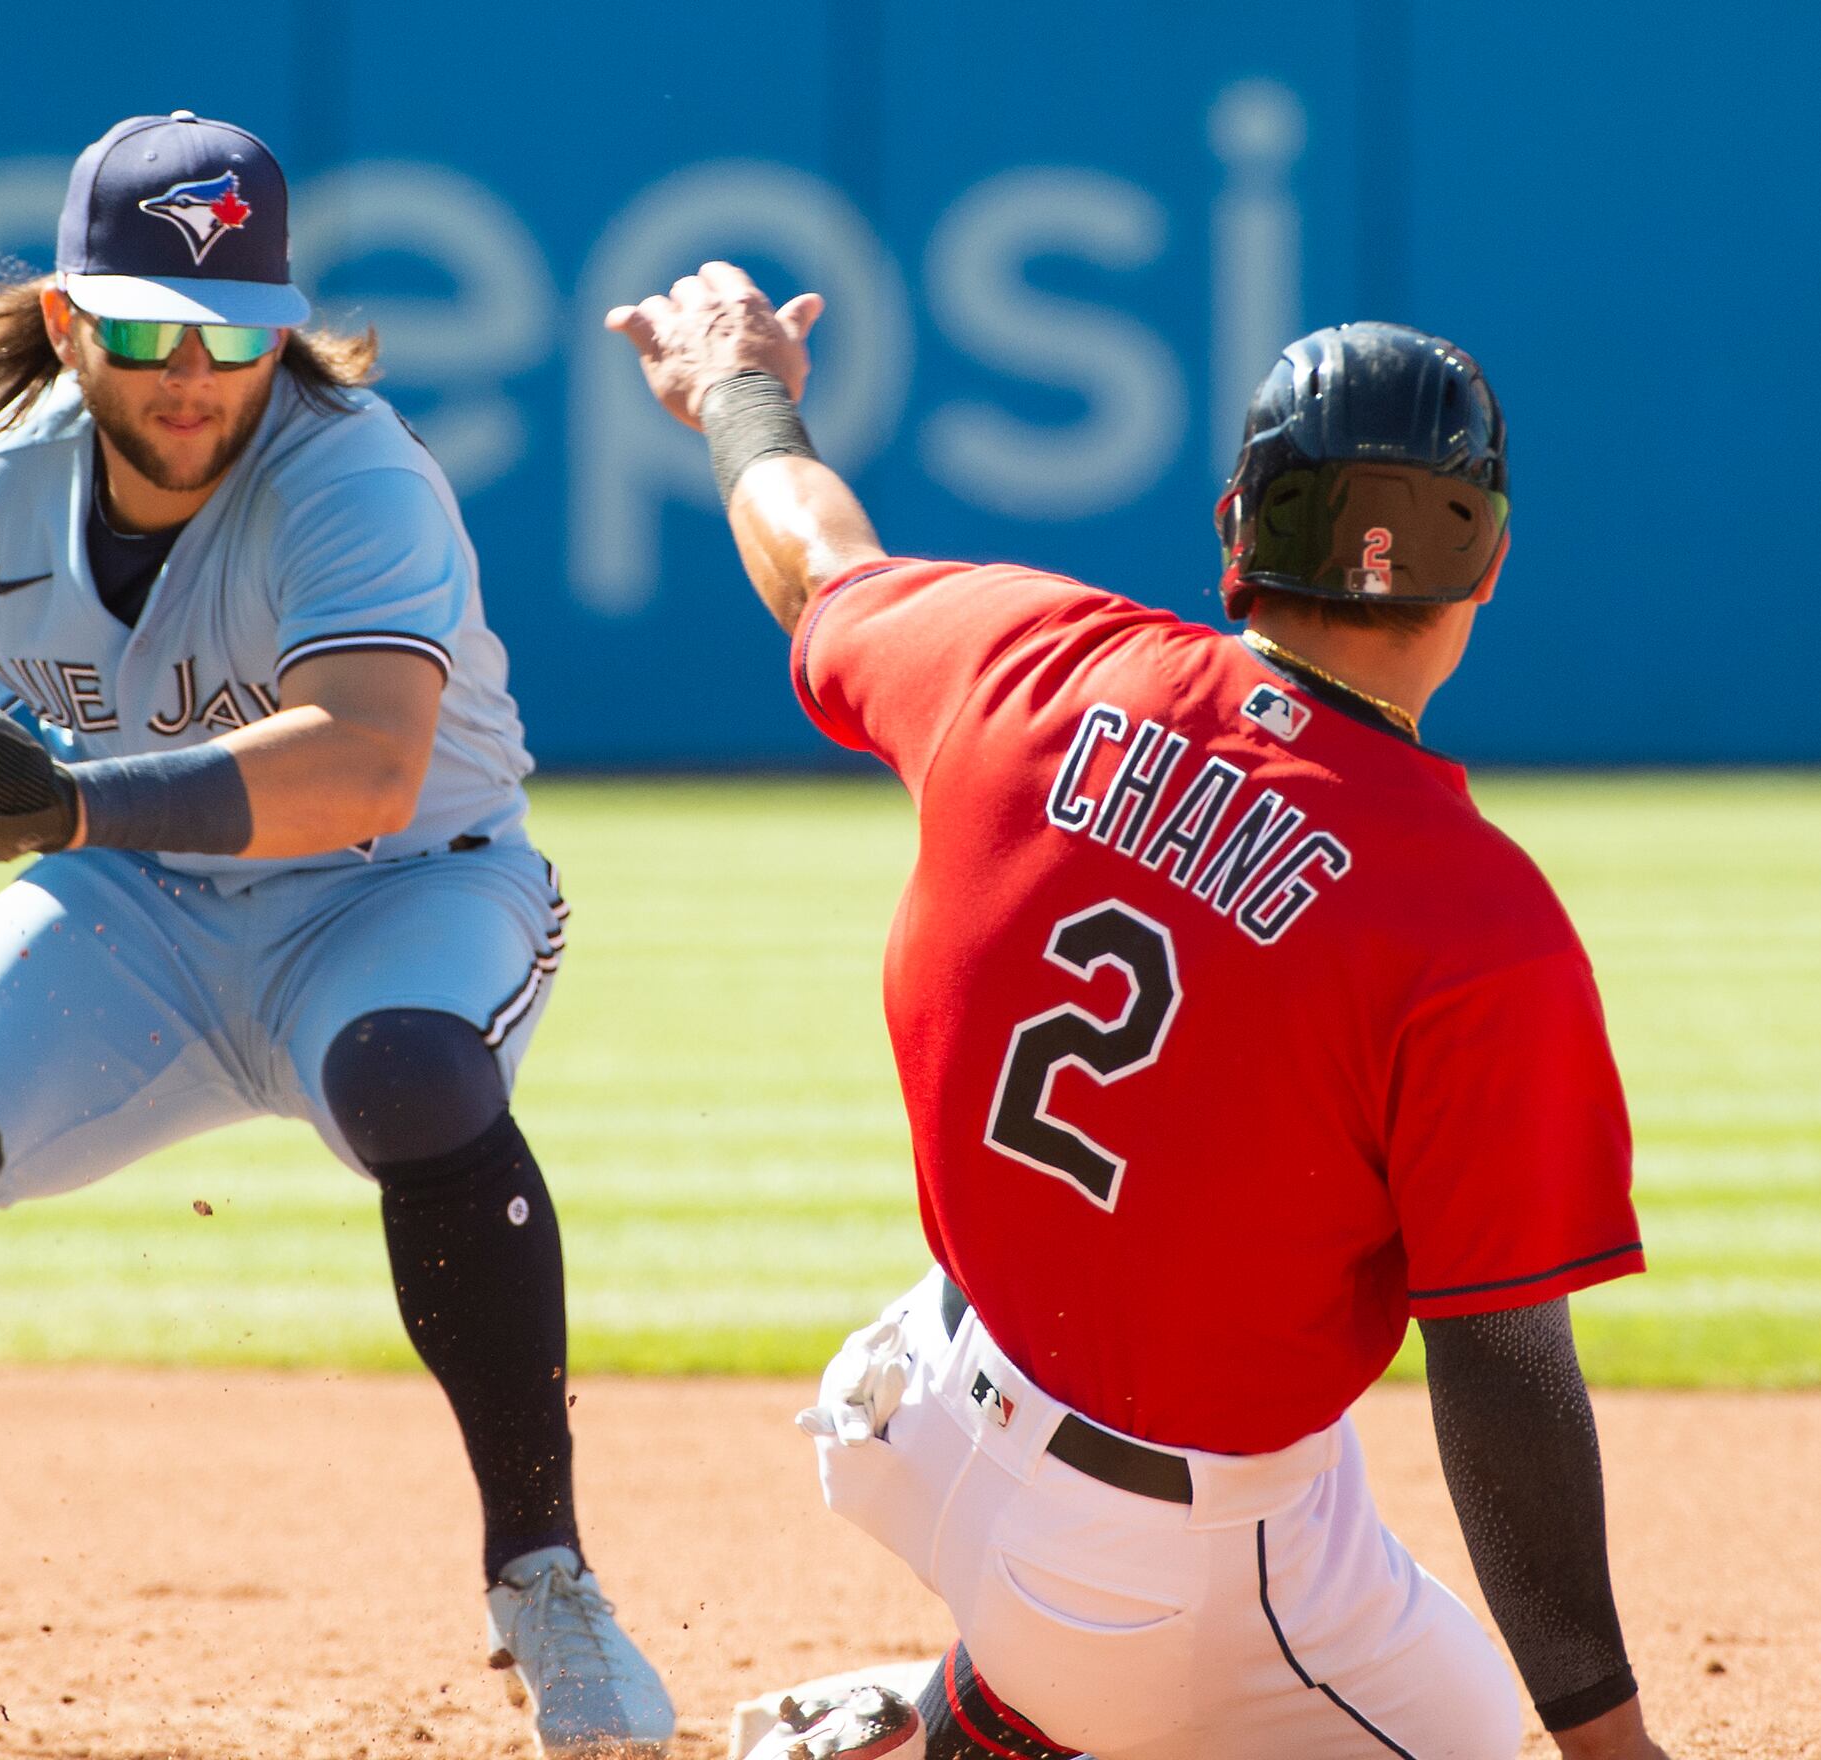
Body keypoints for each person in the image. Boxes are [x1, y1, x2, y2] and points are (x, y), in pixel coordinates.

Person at [0, 113, 674, 1760]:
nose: (195, 370)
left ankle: (546, 1585)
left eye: (238, 329)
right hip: (136, 909)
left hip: (404, 888)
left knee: (407, 1075)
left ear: (283, 327)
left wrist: (61, 809)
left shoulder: (357, 473)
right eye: (148, 324)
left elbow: (368, 760)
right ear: (65, 324)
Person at [606, 265, 1672, 1760]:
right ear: (1487, 562)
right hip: (1145, 1578)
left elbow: (811, 558)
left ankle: (950, 1725)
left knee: (1299, 1484)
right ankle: (1015, 1714)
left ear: (1237, 531)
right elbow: (1502, 1370)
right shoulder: (1476, 925)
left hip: (914, 1408)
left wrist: (738, 387)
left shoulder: (1028, 661)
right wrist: (1615, 1751)